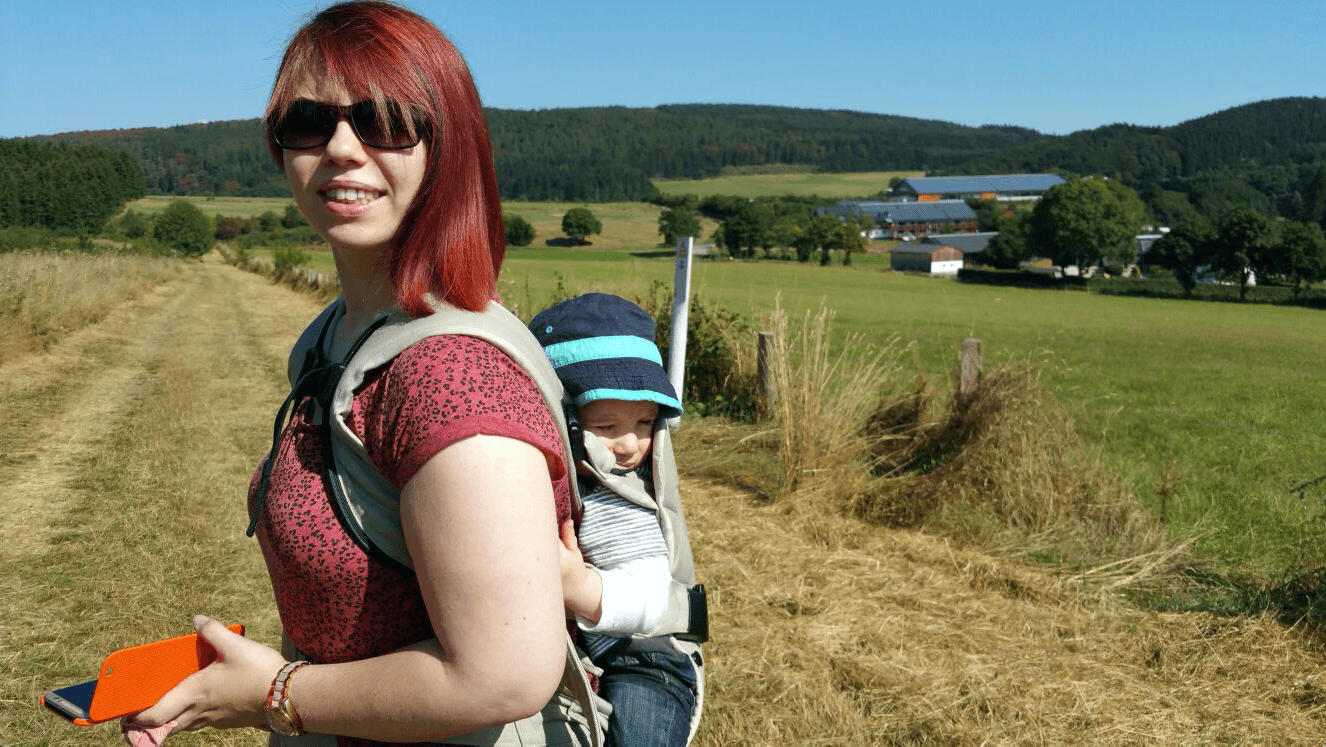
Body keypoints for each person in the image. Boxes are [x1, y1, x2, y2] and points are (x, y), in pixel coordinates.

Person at [123, 2, 592, 744]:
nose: (342, 147)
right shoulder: (334, 338)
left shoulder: (448, 376)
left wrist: (275, 691)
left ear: (447, 145)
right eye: (309, 120)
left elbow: (502, 674)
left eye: (384, 120)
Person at [530, 294, 699, 747]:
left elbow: (653, 598)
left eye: (645, 422)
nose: (629, 444)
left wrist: (577, 585)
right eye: (605, 427)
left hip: (643, 660)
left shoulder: (618, 500)